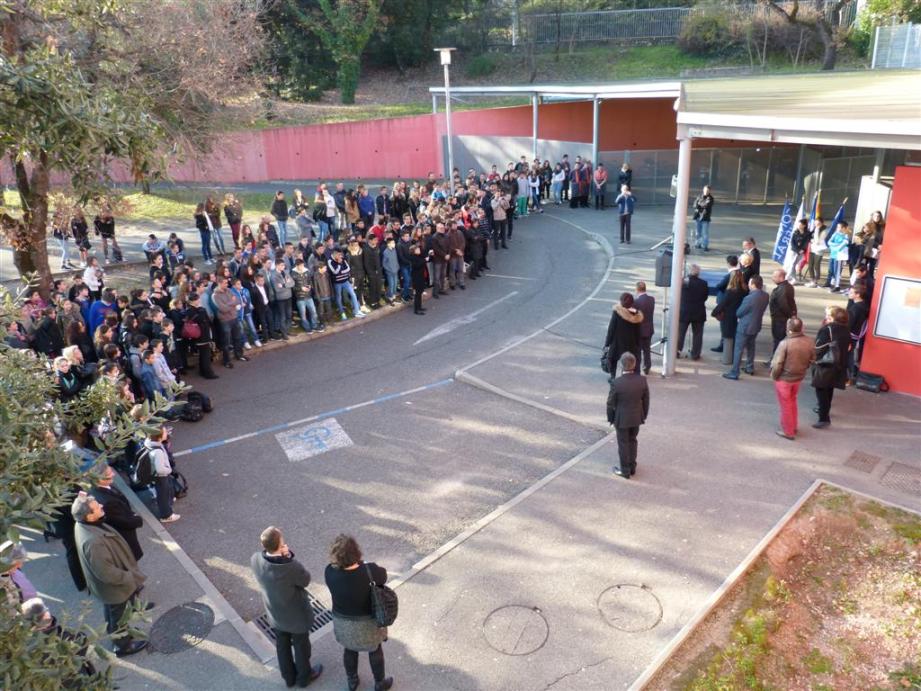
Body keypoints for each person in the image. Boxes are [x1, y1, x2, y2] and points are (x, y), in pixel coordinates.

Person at [71, 491, 150, 657]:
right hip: (115, 587)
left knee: (114, 611)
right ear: (89, 516)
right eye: (96, 507)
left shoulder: (83, 524)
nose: (101, 506)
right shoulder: (93, 542)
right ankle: (121, 645)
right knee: (118, 613)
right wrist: (129, 578)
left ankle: (122, 631)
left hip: (108, 588)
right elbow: (106, 573)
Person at [251, 527, 324, 689]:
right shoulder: (290, 567)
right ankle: (304, 677)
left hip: (275, 613)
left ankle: (289, 678)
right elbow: (305, 580)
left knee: (282, 646)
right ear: (280, 544)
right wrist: (289, 557)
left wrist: (283, 556)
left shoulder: (255, 559)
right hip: (296, 616)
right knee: (301, 646)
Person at [325, 534, 393, 691]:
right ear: (356, 552)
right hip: (368, 623)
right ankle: (379, 683)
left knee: (349, 650)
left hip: (343, 623)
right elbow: (383, 576)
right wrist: (364, 564)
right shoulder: (369, 571)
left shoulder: (329, 572)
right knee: (375, 649)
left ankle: (352, 681)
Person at [769, 317, 815, 440]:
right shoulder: (809, 341)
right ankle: (793, 425)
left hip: (784, 378)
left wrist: (774, 376)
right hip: (798, 377)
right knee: (792, 401)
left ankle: (788, 431)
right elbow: (812, 359)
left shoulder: (785, 343)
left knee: (785, 405)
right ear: (802, 328)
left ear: (788, 329)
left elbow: (777, 363)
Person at [606, 352, 649, 479]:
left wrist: (611, 418)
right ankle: (632, 467)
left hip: (621, 418)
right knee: (633, 440)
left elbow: (610, 403)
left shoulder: (617, 383)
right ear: (634, 364)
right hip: (636, 417)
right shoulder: (642, 381)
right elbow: (646, 400)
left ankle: (625, 470)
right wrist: (643, 415)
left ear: (621, 365)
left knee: (623, 443)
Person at [90, 462, 144, 561]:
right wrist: (137, 519)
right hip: (124, 537)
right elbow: (123, 522)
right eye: (109, 473)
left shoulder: (97, 489)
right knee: (130, 560)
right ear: (100, 479)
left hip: (122, 527)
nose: (113, 474)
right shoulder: (108, 502)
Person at [723, 275, 769, 380]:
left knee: (738, 349)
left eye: (749, 283)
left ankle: (735, 372)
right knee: (751, 347)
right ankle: (749, 367)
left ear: (753, 284)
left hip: (745, 326)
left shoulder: (749, 298)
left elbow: (739, 313)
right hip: (756, 325)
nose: (748, 285)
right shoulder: (765, 295)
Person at [811, 306, 850, 429]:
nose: (826, 316)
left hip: (825, 364)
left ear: (833, 317)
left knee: (821, 390)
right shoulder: (845, 329)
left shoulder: (827, 329)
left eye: (828, 314)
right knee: (829, 389)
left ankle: (824, 418)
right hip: (838, 364)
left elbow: (818, 348)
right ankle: (824, 411)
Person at [212, 276, 249, 368]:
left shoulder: (228, 290)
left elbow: (236, 300)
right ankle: (226, 361)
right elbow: (223, 309)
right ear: (219, 283)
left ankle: (239, 355)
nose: (227, 284)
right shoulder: (215, 295)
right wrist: (232, 304)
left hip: (234, 317)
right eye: (225, 283)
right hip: (225, 320)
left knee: (238, 337)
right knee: (226, 342)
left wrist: (230, 304)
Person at [711, 271, 746, 366]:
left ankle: (727, 360)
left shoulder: (731, 291)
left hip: (729, 317)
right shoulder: (745, 290)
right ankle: (736, 359)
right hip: (740, 316)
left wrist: (714, 313)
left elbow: (723, 303)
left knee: (727, 338)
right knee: (736, 338)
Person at [604, 293, 643, 374]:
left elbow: (611, 329)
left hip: (617, 343)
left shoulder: (617, 313)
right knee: (628, 362)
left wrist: (607, 343)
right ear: (632, 303)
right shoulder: (636, 315)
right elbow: (638, 332)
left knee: (613, 360)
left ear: (621, 302)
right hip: (631, 344)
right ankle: (627, 378)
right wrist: (638, 345)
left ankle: (613, 378)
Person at [677, 264, 709, 360]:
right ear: (698, 273)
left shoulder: (683, 282)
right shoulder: (703, 283)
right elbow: (705, 297)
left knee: (680, 333)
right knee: (698, 335)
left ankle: (677, 351)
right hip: (698, 312)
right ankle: (695, 354)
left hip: (684, 311)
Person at [768, 269, 797, 355]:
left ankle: (775, 360)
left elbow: (783, 304)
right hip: (782, 318)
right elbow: (792, 302)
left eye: (774, 277)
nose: (772, 278)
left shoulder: (782, 289)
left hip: (779, 320)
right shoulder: (788, 286)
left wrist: (791, 315)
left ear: (781, 277)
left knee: (778, 340)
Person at [634, 282, 655, 375]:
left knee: (638, 350)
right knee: (647, 349)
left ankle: (637, 368)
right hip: (649, 328)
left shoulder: (636, 302)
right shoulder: (652, 299)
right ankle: (647, 367)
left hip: (639, 330)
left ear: (637, 289)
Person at [804, 216, 827, 287]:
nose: (816, 225)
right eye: (815, 223)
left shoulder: (823, 231)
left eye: (818, 224)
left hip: (819, 250)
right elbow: (810, 237)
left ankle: (816, 281)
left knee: (816, 265)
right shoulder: (814, 229)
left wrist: (816, 230)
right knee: (810, 265)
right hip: (812, 249)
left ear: (822, 223)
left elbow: (817, 241)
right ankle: (812, 280)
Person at [692, 186, 714, 251]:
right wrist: (700, 205)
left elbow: (707, 205)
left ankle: (705, 245)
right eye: (705, 190)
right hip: (698, 217)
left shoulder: (711, 198)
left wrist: (699, 205)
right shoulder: (699, 196)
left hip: (705, 218)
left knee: (705, 232)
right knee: (698, 232)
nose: (706, 192)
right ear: (703, 190)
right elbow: (695, 205)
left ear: (709, 191)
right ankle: (697, 244)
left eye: (707, 191)